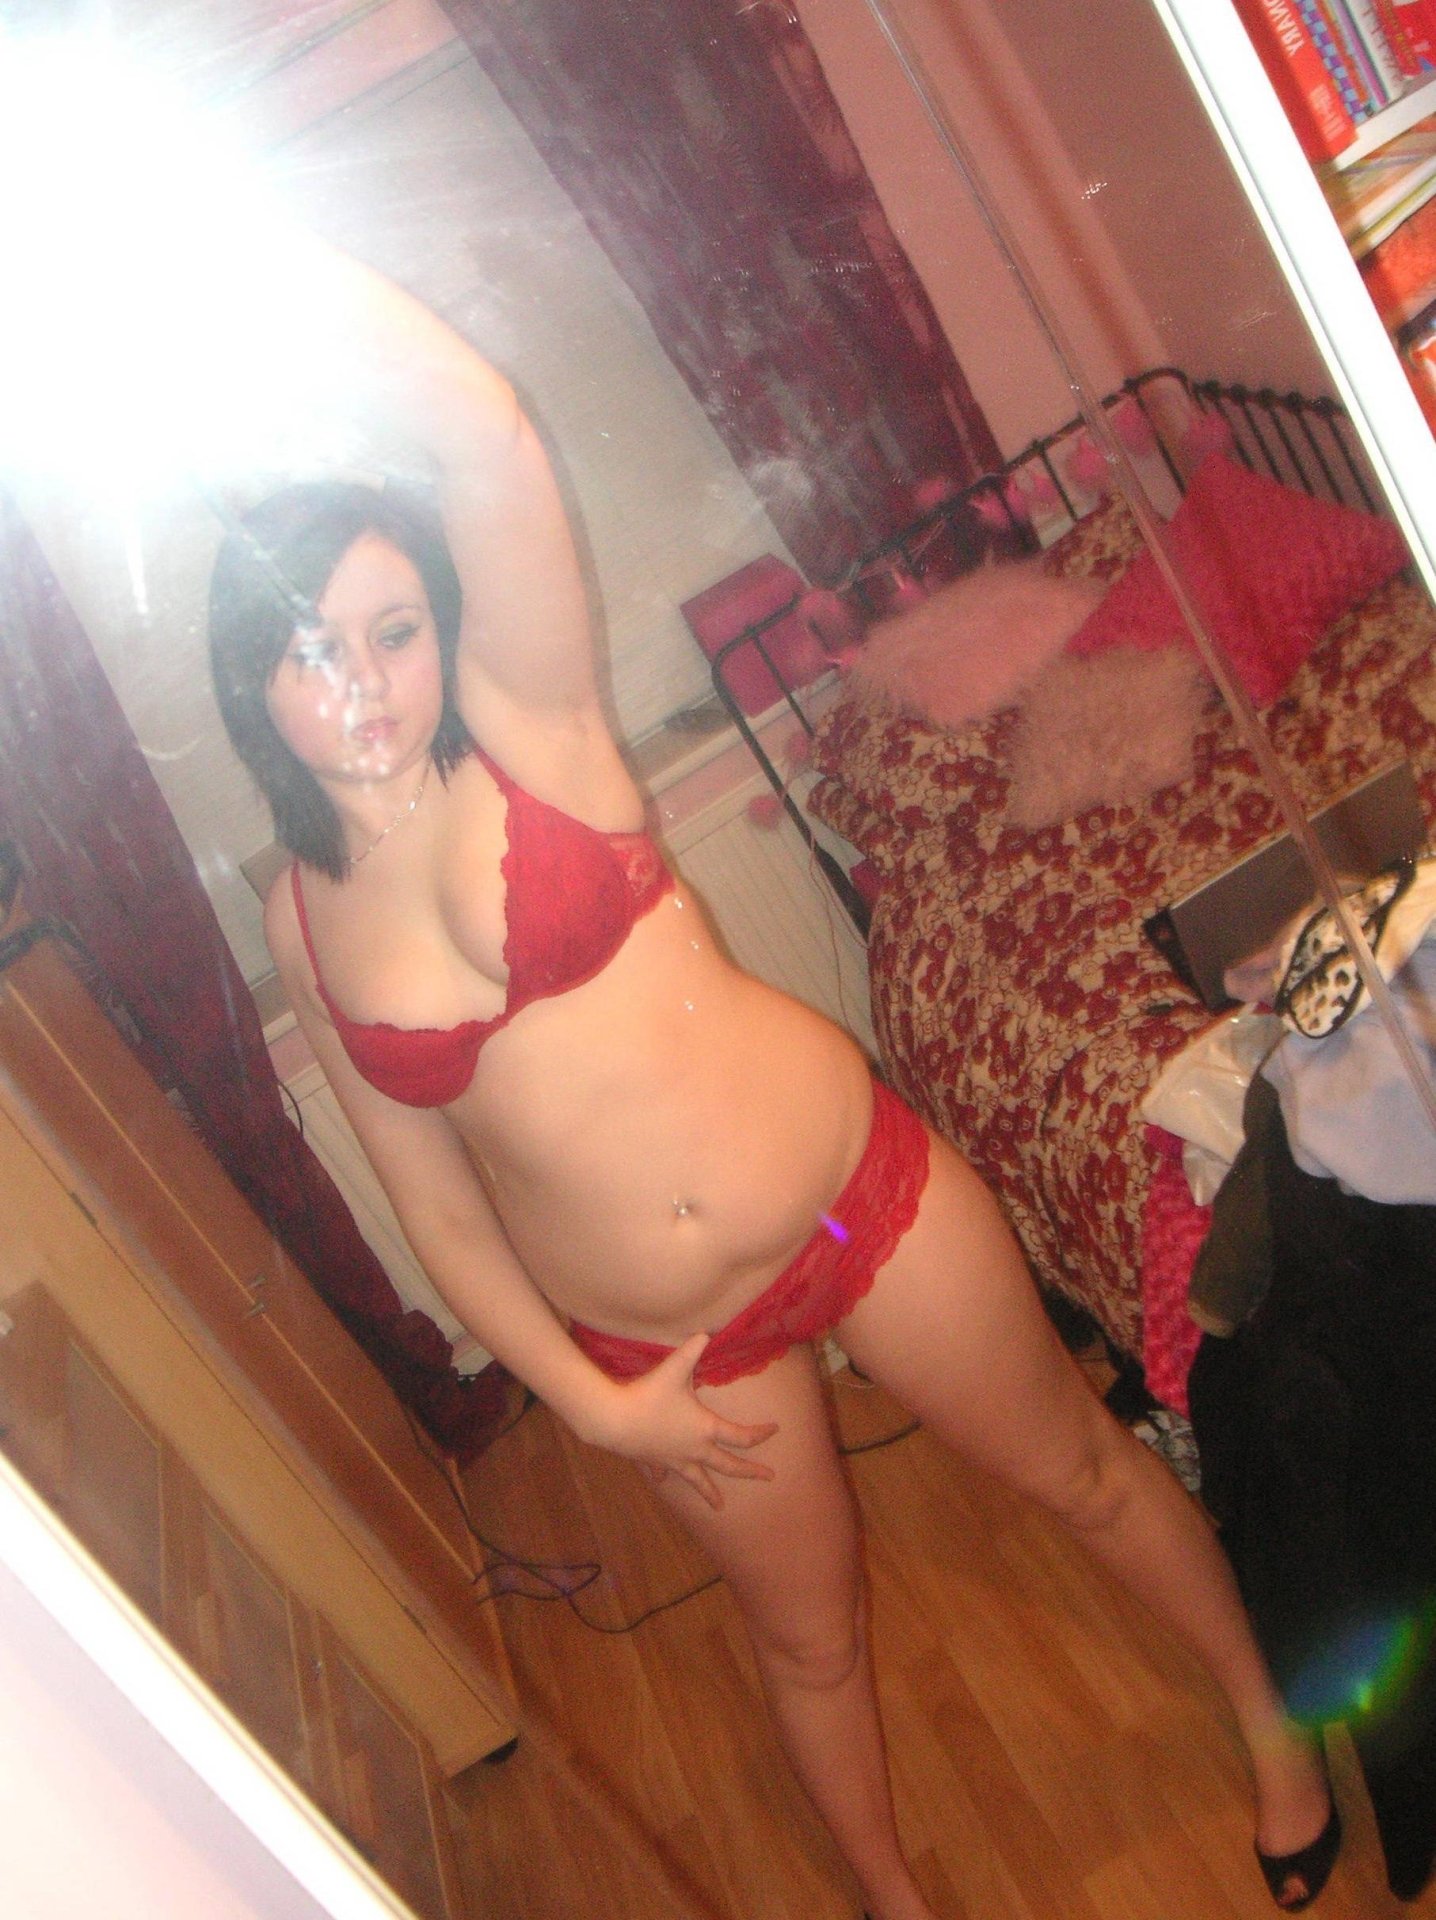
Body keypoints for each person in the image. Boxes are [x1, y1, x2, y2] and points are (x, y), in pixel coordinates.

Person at [210, 241, 1338, 1919]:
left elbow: (486, 430)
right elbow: (436, 1207)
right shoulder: (299, 924)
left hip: (845, 1210)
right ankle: (891, 1898)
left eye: (397, 631)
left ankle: (1270, 1722)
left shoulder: (528, 722)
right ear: (252, 676)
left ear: (447, 630)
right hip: (668, 1344)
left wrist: (257, 260)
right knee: (807, 1644)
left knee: (1083, 1473)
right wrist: (594, 1405)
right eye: (314, 651)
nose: (365, 683)